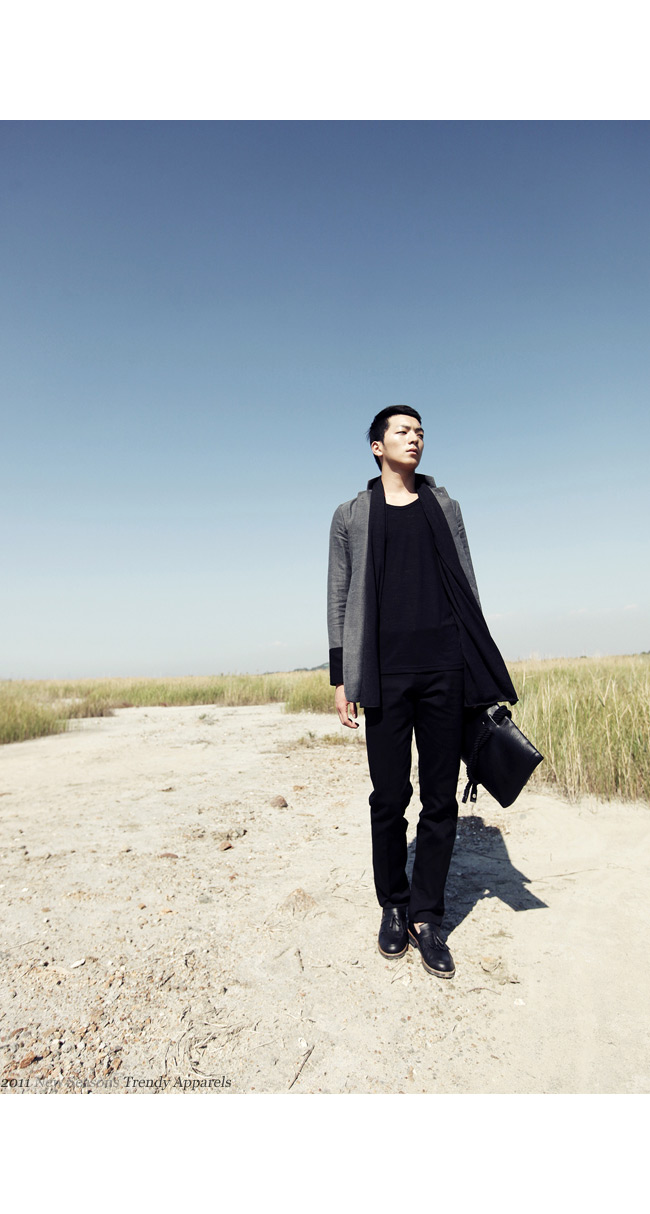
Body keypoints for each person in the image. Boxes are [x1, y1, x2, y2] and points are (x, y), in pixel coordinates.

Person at [327, 406, 517, 979]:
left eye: (420, 432)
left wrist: (476, 660)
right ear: (377, 446)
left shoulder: (445, 506)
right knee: (389, 798)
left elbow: (468, 582)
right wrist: (341, 677)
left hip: (444, 668)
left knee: (440, 799)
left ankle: (427, 916)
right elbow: (338, 596)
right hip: (383, 673)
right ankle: (393, 904)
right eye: (403, 431)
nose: (415, 439)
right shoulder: (351, 515)